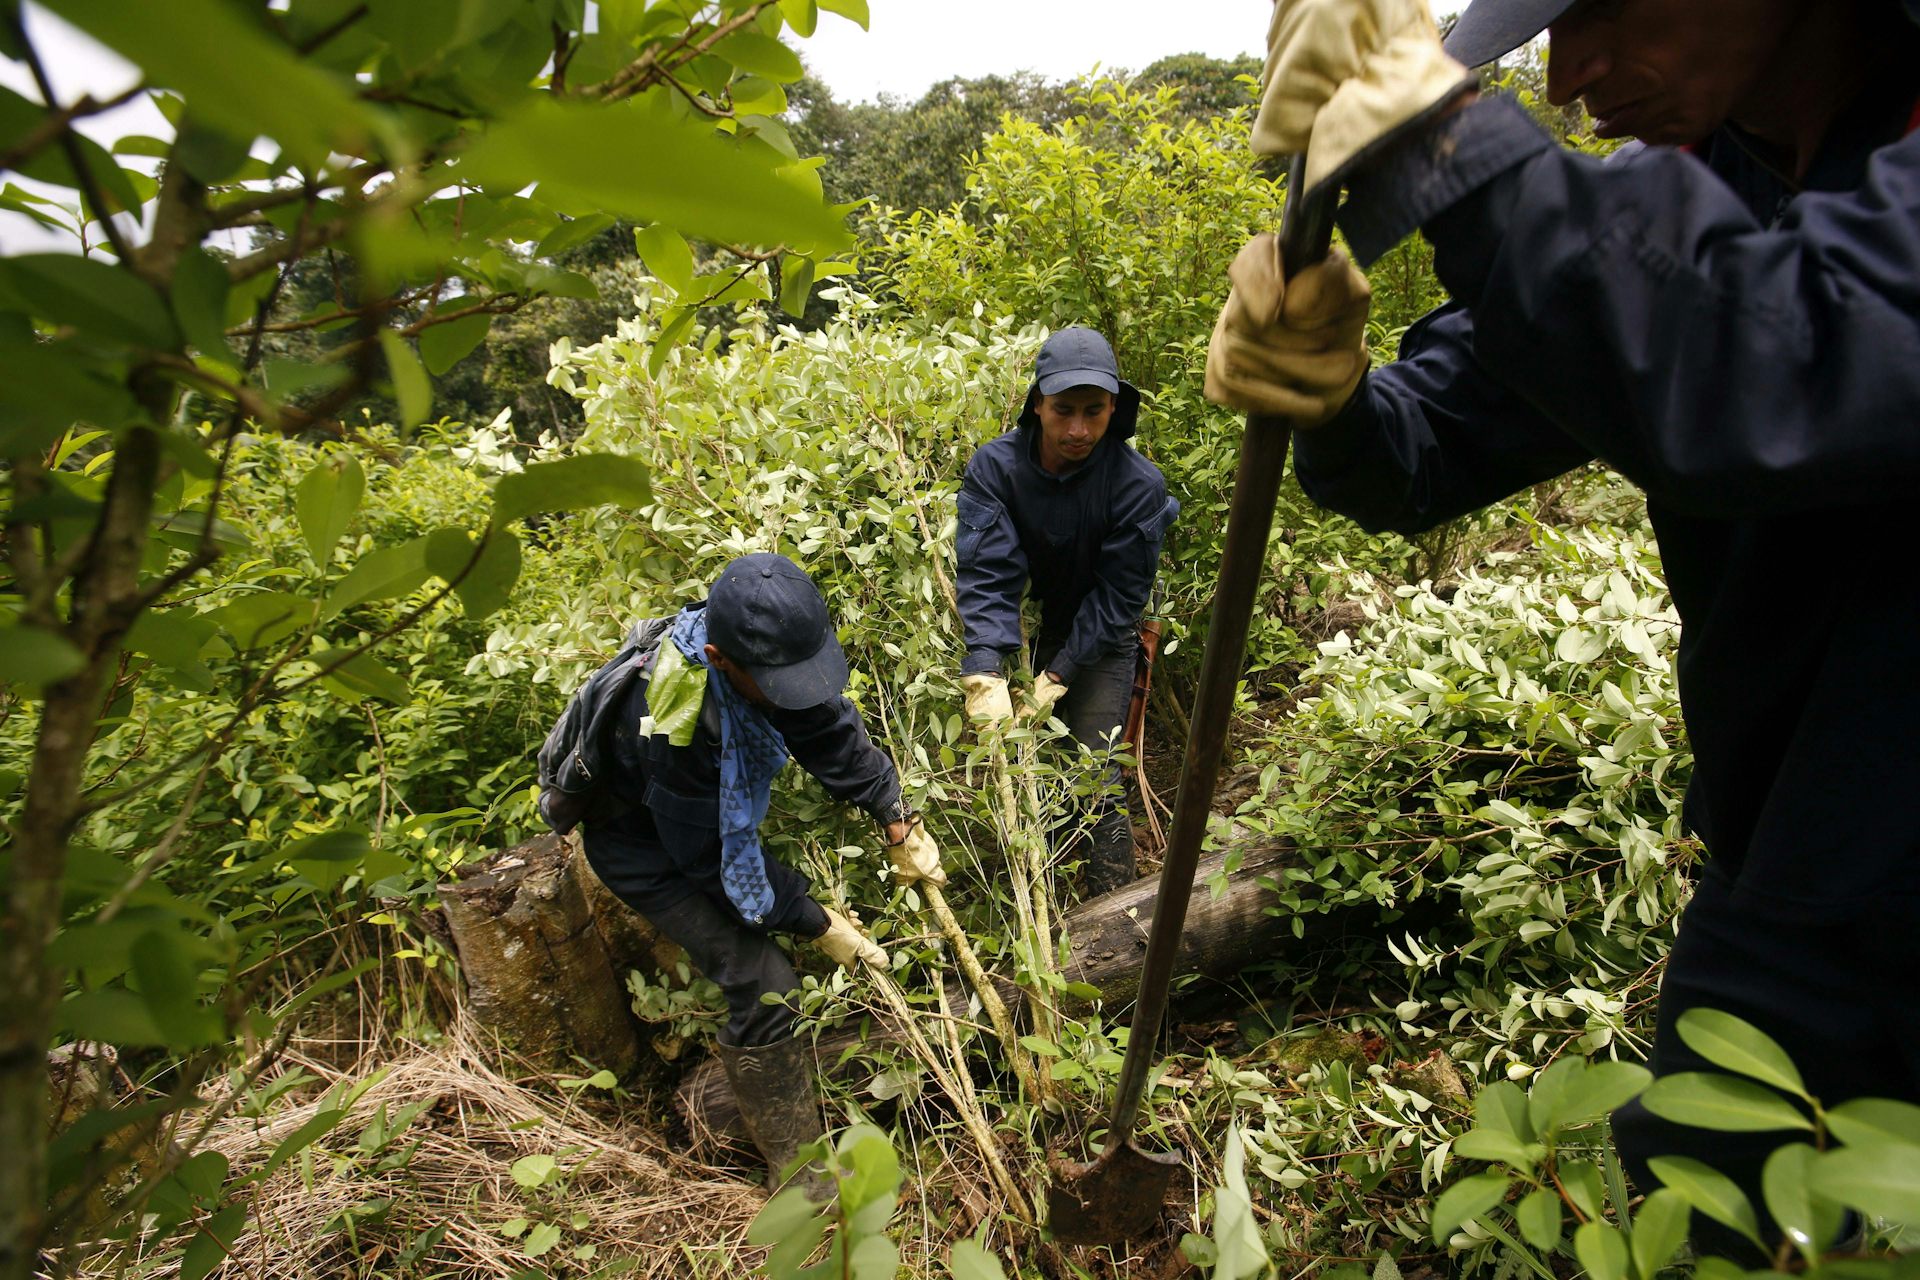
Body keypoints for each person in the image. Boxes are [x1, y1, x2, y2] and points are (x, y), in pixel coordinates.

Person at [1206, 0, 1920, 1253]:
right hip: (1789, 872)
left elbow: (1784, 353)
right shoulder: (1684, 187)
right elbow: (1428, 448)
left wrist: (1443, 148)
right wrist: (1333, 403)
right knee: (1703, 1217)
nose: (1574, 76)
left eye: (1606, 8)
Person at [574, 553, 940, 1195]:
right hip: (645, 853)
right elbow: (715, 864)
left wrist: (894, 815)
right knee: (764, 977)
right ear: (718, 659)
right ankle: (799, 1177)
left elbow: (825, 726)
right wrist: (814, 920)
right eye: (778, 681)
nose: (791, 689)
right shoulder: (675, 726)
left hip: (691, 825)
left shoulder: (760, 660)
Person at [954, 327, 1180, 898]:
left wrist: (1057, 675)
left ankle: (1116, 911)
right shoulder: (995, 468)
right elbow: (989, 572)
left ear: (1114, 409)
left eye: (1094, 412)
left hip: (1106, 630)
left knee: (1094, 768)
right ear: (1037, 404)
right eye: (1063, 411)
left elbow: (1119, 596)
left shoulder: (1138, 486)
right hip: (1041, 616)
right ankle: (1042, 898)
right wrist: (984, 665)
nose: (1078, 430)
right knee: (1034, 766)